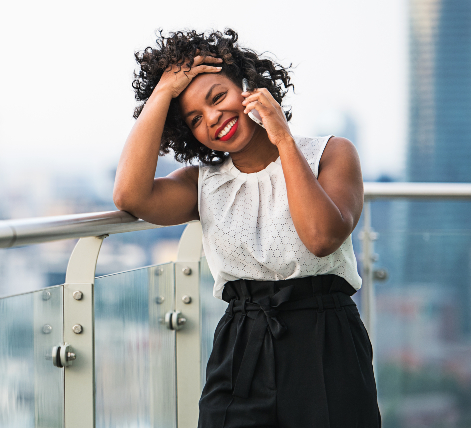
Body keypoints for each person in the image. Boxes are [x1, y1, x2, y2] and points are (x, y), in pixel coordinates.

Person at [113, 29, 380, 427]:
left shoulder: (331, 153)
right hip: (241, 345)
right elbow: (130, 196)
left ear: (249, 87)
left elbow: (321, 237)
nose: (213, 118)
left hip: (326, 341)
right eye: (195, 119)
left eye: (218, 97)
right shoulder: (201, 183)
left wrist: (283, 139)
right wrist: (163, 93)